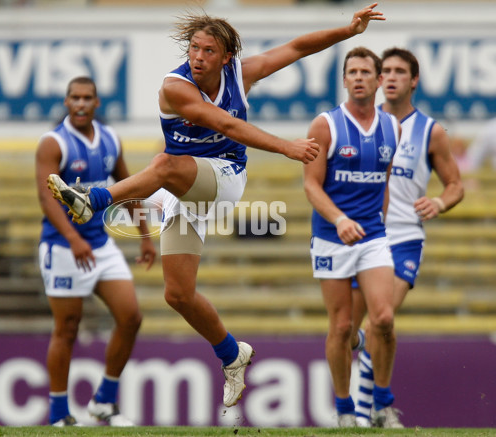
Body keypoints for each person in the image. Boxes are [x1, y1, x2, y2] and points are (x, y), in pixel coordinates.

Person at [46, 4, 385, 408]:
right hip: (185, 186)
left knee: (163, 164)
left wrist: (348, 31)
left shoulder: (239, 75)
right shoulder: (175, 87)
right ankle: (231, 355)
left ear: (226, 57)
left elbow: (295, 48)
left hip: (224, 177)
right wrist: (286, 146)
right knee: (177, 294)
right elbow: (223, 123)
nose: (198, 57)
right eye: (194, 48)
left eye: (209, 51)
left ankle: (95, 200)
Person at [350, 47, 464, 427]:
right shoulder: (359, 124)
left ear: (414, 80)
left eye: (401, 71)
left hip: (404, 237)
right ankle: (383, 402)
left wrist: (439, 202)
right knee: (357, 330)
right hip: (364, 234)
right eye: (388, 71)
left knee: (379, 320)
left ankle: (361, 415)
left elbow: (455, 185)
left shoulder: (430, 131)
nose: (392, 77)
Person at [35, 76, 156, 427]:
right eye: (75, 97)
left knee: (131, 316)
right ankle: (59, 413)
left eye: (88, 97)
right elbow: (47, 198)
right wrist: (73, 239)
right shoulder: (53, 143)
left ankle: (104, 400)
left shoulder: (110, 139)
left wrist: (145, 237)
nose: (81, 103)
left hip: (100, 245)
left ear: (97, 102)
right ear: (66, 102)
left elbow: (128, 188)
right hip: (63, 248)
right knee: (67, 328)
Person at [303, 46, 401, 428]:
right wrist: (340, 219)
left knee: (385, 319)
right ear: (343, 79)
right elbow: (311, 186)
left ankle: (382, 404)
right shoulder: (325, 125)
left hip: (372, 235)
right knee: (342, 327)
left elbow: (385, 180)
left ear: (379, 81)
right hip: (331, 236)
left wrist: (381, 222)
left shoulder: (392, 126)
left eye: (365, 71)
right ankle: (344, 410)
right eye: (352, 71)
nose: (358, 77)